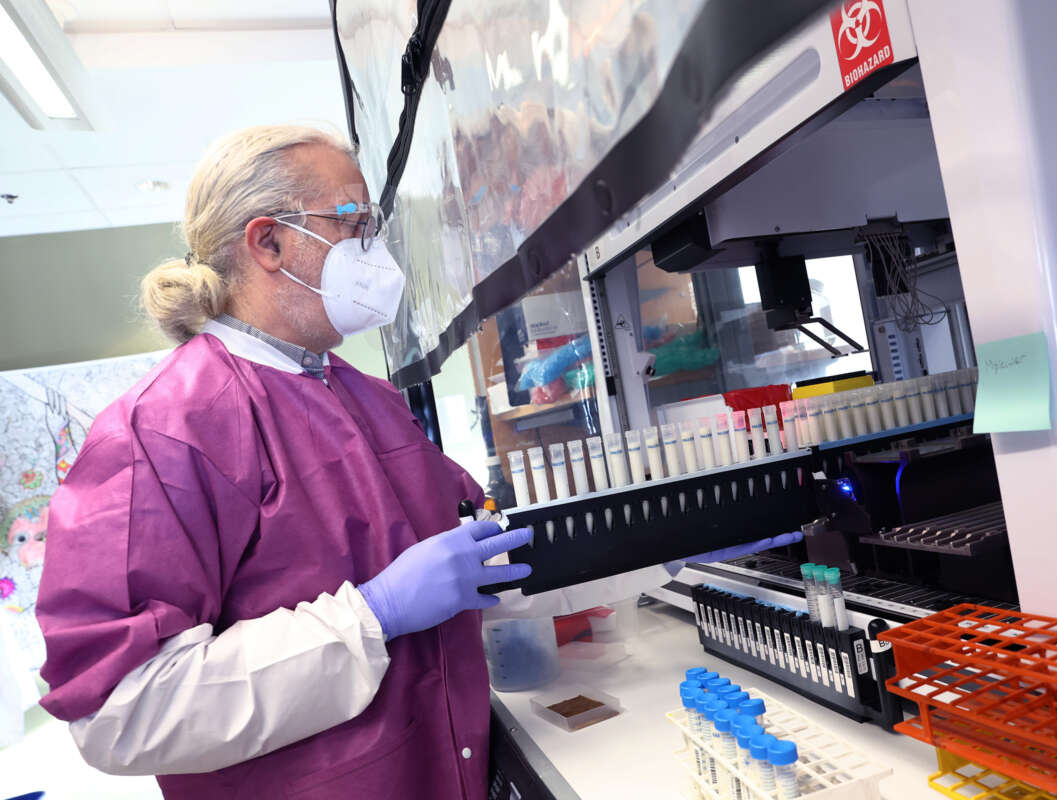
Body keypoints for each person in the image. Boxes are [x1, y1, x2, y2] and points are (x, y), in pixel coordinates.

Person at [35, 125, 800, 798]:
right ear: (267, 243)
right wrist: (371, 615)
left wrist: (666, 549)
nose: (375, 250)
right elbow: (119, 712)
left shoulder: (361, 397)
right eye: (353, 222)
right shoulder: (161, 432)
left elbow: (495, 562)